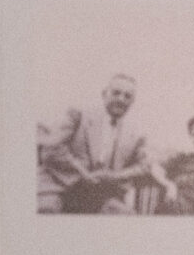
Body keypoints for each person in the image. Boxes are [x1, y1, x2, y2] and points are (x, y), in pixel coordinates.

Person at [40, 75, 169, 215]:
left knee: (127, 217)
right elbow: (51, 149)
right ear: (104, 94)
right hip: (59, 186)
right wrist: (83, 173)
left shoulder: (135, 134)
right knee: (46, 210)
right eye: (116, 93)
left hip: (99, 196)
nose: (121, 99)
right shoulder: (79, 114)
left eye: (127, 96)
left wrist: (114, 176)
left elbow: (145, 166)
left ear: (132, 102)